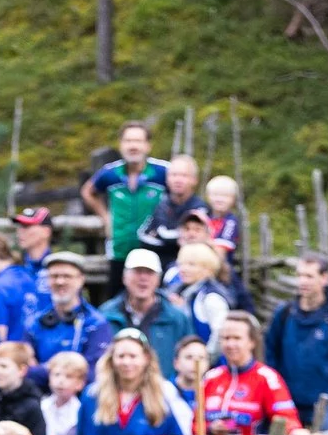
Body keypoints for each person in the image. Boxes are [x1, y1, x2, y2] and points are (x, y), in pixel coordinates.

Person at [263, 252, 328, 429]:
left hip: (325, 404)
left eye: (309, 276)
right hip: (287, 400)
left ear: (324, 278)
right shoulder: (284, 314)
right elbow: (271, 356)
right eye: (299, 275)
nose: (302, 281)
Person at [79, 121, 171, 263]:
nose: (133, 146)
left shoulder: (163, 171)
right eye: (128, 141)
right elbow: (87, 191)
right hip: (119, 248)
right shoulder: (110, 173)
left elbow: (183, 191)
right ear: (120, 144)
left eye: (138, 141)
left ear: (148, 145)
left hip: (154, 250)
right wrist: (105, 217)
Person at [98, 249, 192, 379]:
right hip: (116, 392)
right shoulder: (105, 315)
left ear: (158, 279)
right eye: (137, 272)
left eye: (150, 272)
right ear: (124, 277)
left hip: (164, 392)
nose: (143, 278)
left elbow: (189, 357)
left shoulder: (177, 318)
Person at [27, 253, 111, 370]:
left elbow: (92, 372)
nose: (60, 282)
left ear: (81, 280)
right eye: (54, 276)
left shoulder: (96, 324)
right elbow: (24, 371)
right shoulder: (35, 323)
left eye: (67, 276)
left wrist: (45, 369)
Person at [135, 154, 209, 268]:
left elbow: (195, 240)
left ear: (194, 180)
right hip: (159, 266)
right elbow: (142, 237)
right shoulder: (162, 204)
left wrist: (161, 236)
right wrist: (176, 238)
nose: (178, 180)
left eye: (184, 175)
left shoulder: (200, 208)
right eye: (174, 175)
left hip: (191, 266)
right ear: (167, 178)